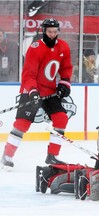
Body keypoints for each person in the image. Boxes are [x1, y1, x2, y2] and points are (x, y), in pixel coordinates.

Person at [0, 18, 73, 169]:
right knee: (22, 124)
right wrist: (33, 92)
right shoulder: (35, 48)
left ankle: (52, 155)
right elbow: (28, 74)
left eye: (55, 31)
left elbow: (66, 69)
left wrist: (64, 84)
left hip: (50, 92)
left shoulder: (63, 47)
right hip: (32, 90)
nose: (53, 35)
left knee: (61, 119)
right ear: (43, 31)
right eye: (49, 32)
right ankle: (7, 154)